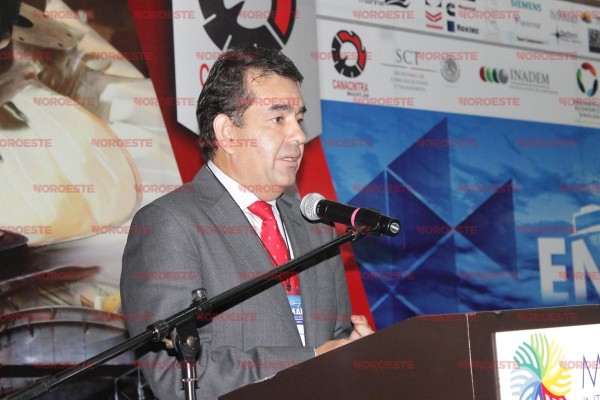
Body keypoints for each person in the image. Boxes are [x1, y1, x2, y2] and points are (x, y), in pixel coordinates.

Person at [120, 47, 373, 400]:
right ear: (227, 133)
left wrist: (353, 351)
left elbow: (336, 336)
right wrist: (312, 360)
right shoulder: (169, 225)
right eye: (278, 118)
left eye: (299, 119)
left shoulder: (316, 226)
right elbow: (177, 376)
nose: (299, 135)